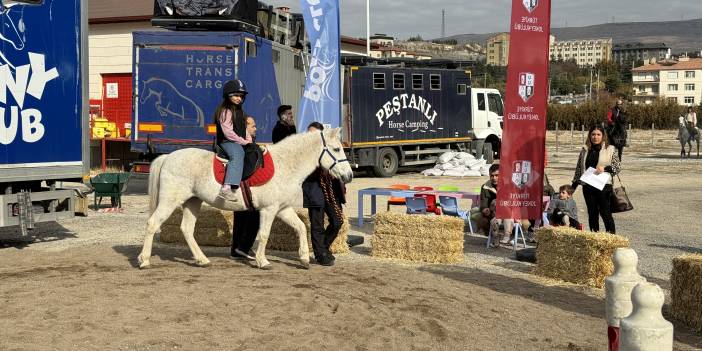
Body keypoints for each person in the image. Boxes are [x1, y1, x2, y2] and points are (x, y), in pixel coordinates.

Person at [302, 122, 346, 266]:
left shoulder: (329, 147)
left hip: (331, 188)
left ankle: (324, 247)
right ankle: (320, 254)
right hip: (314, 188)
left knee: (337, 221)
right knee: (317, 224)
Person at [572, 125, 620, 234]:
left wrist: (605, 168)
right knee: (592, 213)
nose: (595, 137)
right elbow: (579, 170)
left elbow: (617, 168)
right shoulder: (584, 150)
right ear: (589, 135)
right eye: (593, 134)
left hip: (604, 186)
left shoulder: (610, 149)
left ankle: (611, 237)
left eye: (598, 134)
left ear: (603, 136)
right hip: (588, 187)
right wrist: (572, 188)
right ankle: (594, 237)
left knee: (605, 213)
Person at [215, 79, 252, 201]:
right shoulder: (225, 111)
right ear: (228, 95)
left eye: (241, 96)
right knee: (238, 153)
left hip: (238, 140)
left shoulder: (240, 111)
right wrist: (243, 141)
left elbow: (244, 128)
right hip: (227, 142)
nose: (239, 98)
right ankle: (227, 188)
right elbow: (228, 133)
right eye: (236, 95)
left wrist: (249, 141)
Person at [231, 116, 260, 260]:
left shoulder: (247, 142)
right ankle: (243, 247)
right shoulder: (245, 144)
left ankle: (237, 250)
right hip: (244, 187)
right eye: (253, 126)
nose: (255, 128)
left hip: (240, 187)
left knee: (240, 218)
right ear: (245, 127)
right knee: (254, 216)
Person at [477, 163, 514, 247]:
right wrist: (484, 209)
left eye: (497, 175)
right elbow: (483, 202)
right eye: (492, 176)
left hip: (509, 212)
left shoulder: (509, 185)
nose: (494, 178)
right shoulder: (485, 187)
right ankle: (495, 238)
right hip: (493, 212)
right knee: (489, 218)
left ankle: (507, 237)